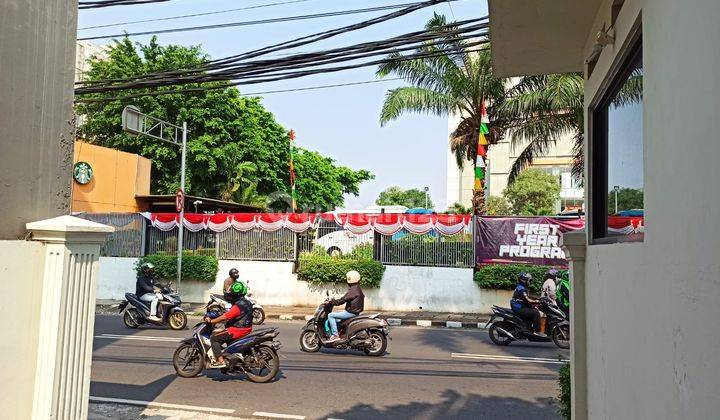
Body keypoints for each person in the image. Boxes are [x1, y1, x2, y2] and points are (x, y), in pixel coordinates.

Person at [204, 281, 254, 368]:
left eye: (232, 294)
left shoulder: (238, 305)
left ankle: (221, 361)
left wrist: (212, 321)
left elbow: (225, 316)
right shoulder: (247, 302)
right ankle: (230, 357)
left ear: (236, 295)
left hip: (237, 330)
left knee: (214, 338)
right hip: (246, 328)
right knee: (222, 333)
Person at [326, 270, 364, 343]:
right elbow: (345, 299)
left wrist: (332, 302)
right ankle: (340, 332)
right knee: (337, 316)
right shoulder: (357, 288)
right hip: (354, 312)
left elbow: (342, 300)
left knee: (330, 315)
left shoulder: (353, 290)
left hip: (350, 313)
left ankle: (335, 335)